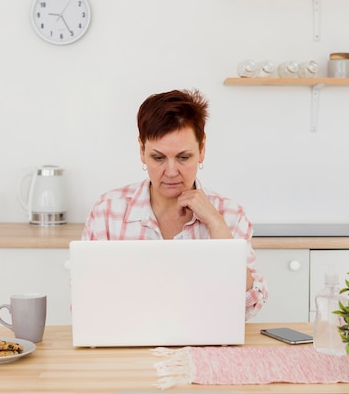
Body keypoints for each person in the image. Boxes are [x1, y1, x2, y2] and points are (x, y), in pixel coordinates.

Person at [81, 89, 268, 320]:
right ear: (142, 151)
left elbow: (250, 308)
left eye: (183, 157)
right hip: (126, 348)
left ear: (202, 150)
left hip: (205, 349)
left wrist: (216, 224)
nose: (171, 172)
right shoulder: (107, 212)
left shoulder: (229, 214)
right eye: (158, 158)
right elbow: (85, 303)